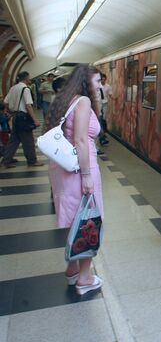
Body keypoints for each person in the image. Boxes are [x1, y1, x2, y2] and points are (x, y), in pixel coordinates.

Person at [46, 64, 104, 295]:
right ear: (86, 81)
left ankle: (71, 269)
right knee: (90, 222)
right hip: (81, 169)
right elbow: (80, 140)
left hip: (65, 170)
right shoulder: (83, 102)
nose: (100, 86)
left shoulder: (66, 100)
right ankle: (84, 278)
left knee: (75, 220)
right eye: (98, 81)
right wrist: (87, 175)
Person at [2, 71, 44, 168]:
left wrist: (11, 111)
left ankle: (6, 161)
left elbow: (5, 102)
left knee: (13, 141)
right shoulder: (25, 89)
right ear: (26, 79)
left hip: (15, 117)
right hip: (23, 118)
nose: (29, 80)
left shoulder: (13, 88)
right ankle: (32, 161)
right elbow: (28, 106)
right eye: (29, 78)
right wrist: (35, 120)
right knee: (28, 140)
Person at [96, 73, 112, 146]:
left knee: (103, 119)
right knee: (100, 120)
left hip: (104, 103)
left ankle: (103, 135)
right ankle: (102, 137)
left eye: (104, 79)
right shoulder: (96, 87)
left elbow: (110, 94)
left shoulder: (108, 86)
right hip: (98, 106)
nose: (102, 81)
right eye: (101, 79)